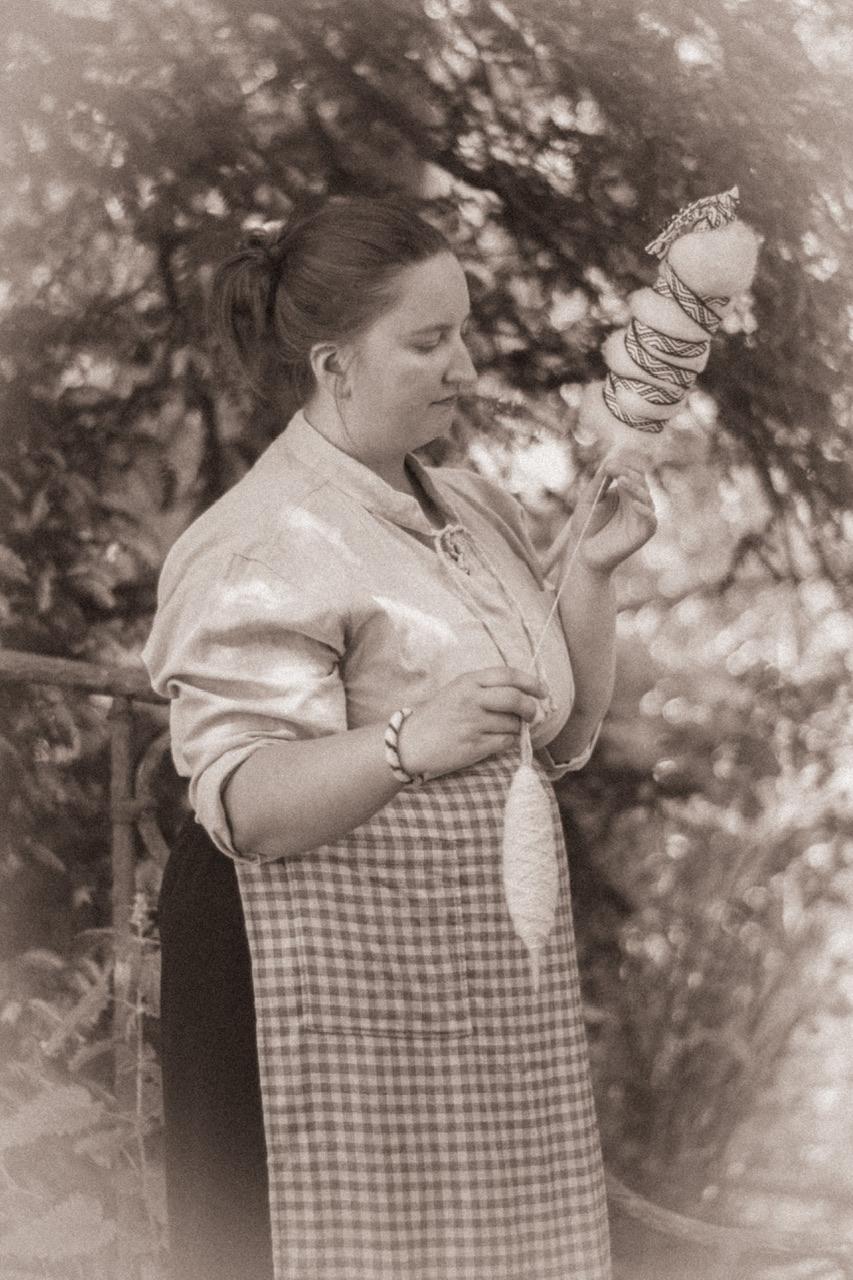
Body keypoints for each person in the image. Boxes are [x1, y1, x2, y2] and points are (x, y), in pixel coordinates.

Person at [142, 191, 657, 1280]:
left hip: (464, 983)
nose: (463, 368)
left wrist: (592, 574)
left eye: (462, 333)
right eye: (428, 342)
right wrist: (405, 742)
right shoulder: (256, 543)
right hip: (310, 998)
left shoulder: (469, 506)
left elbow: (554, 738)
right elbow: (241, 804)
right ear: (334, 365)